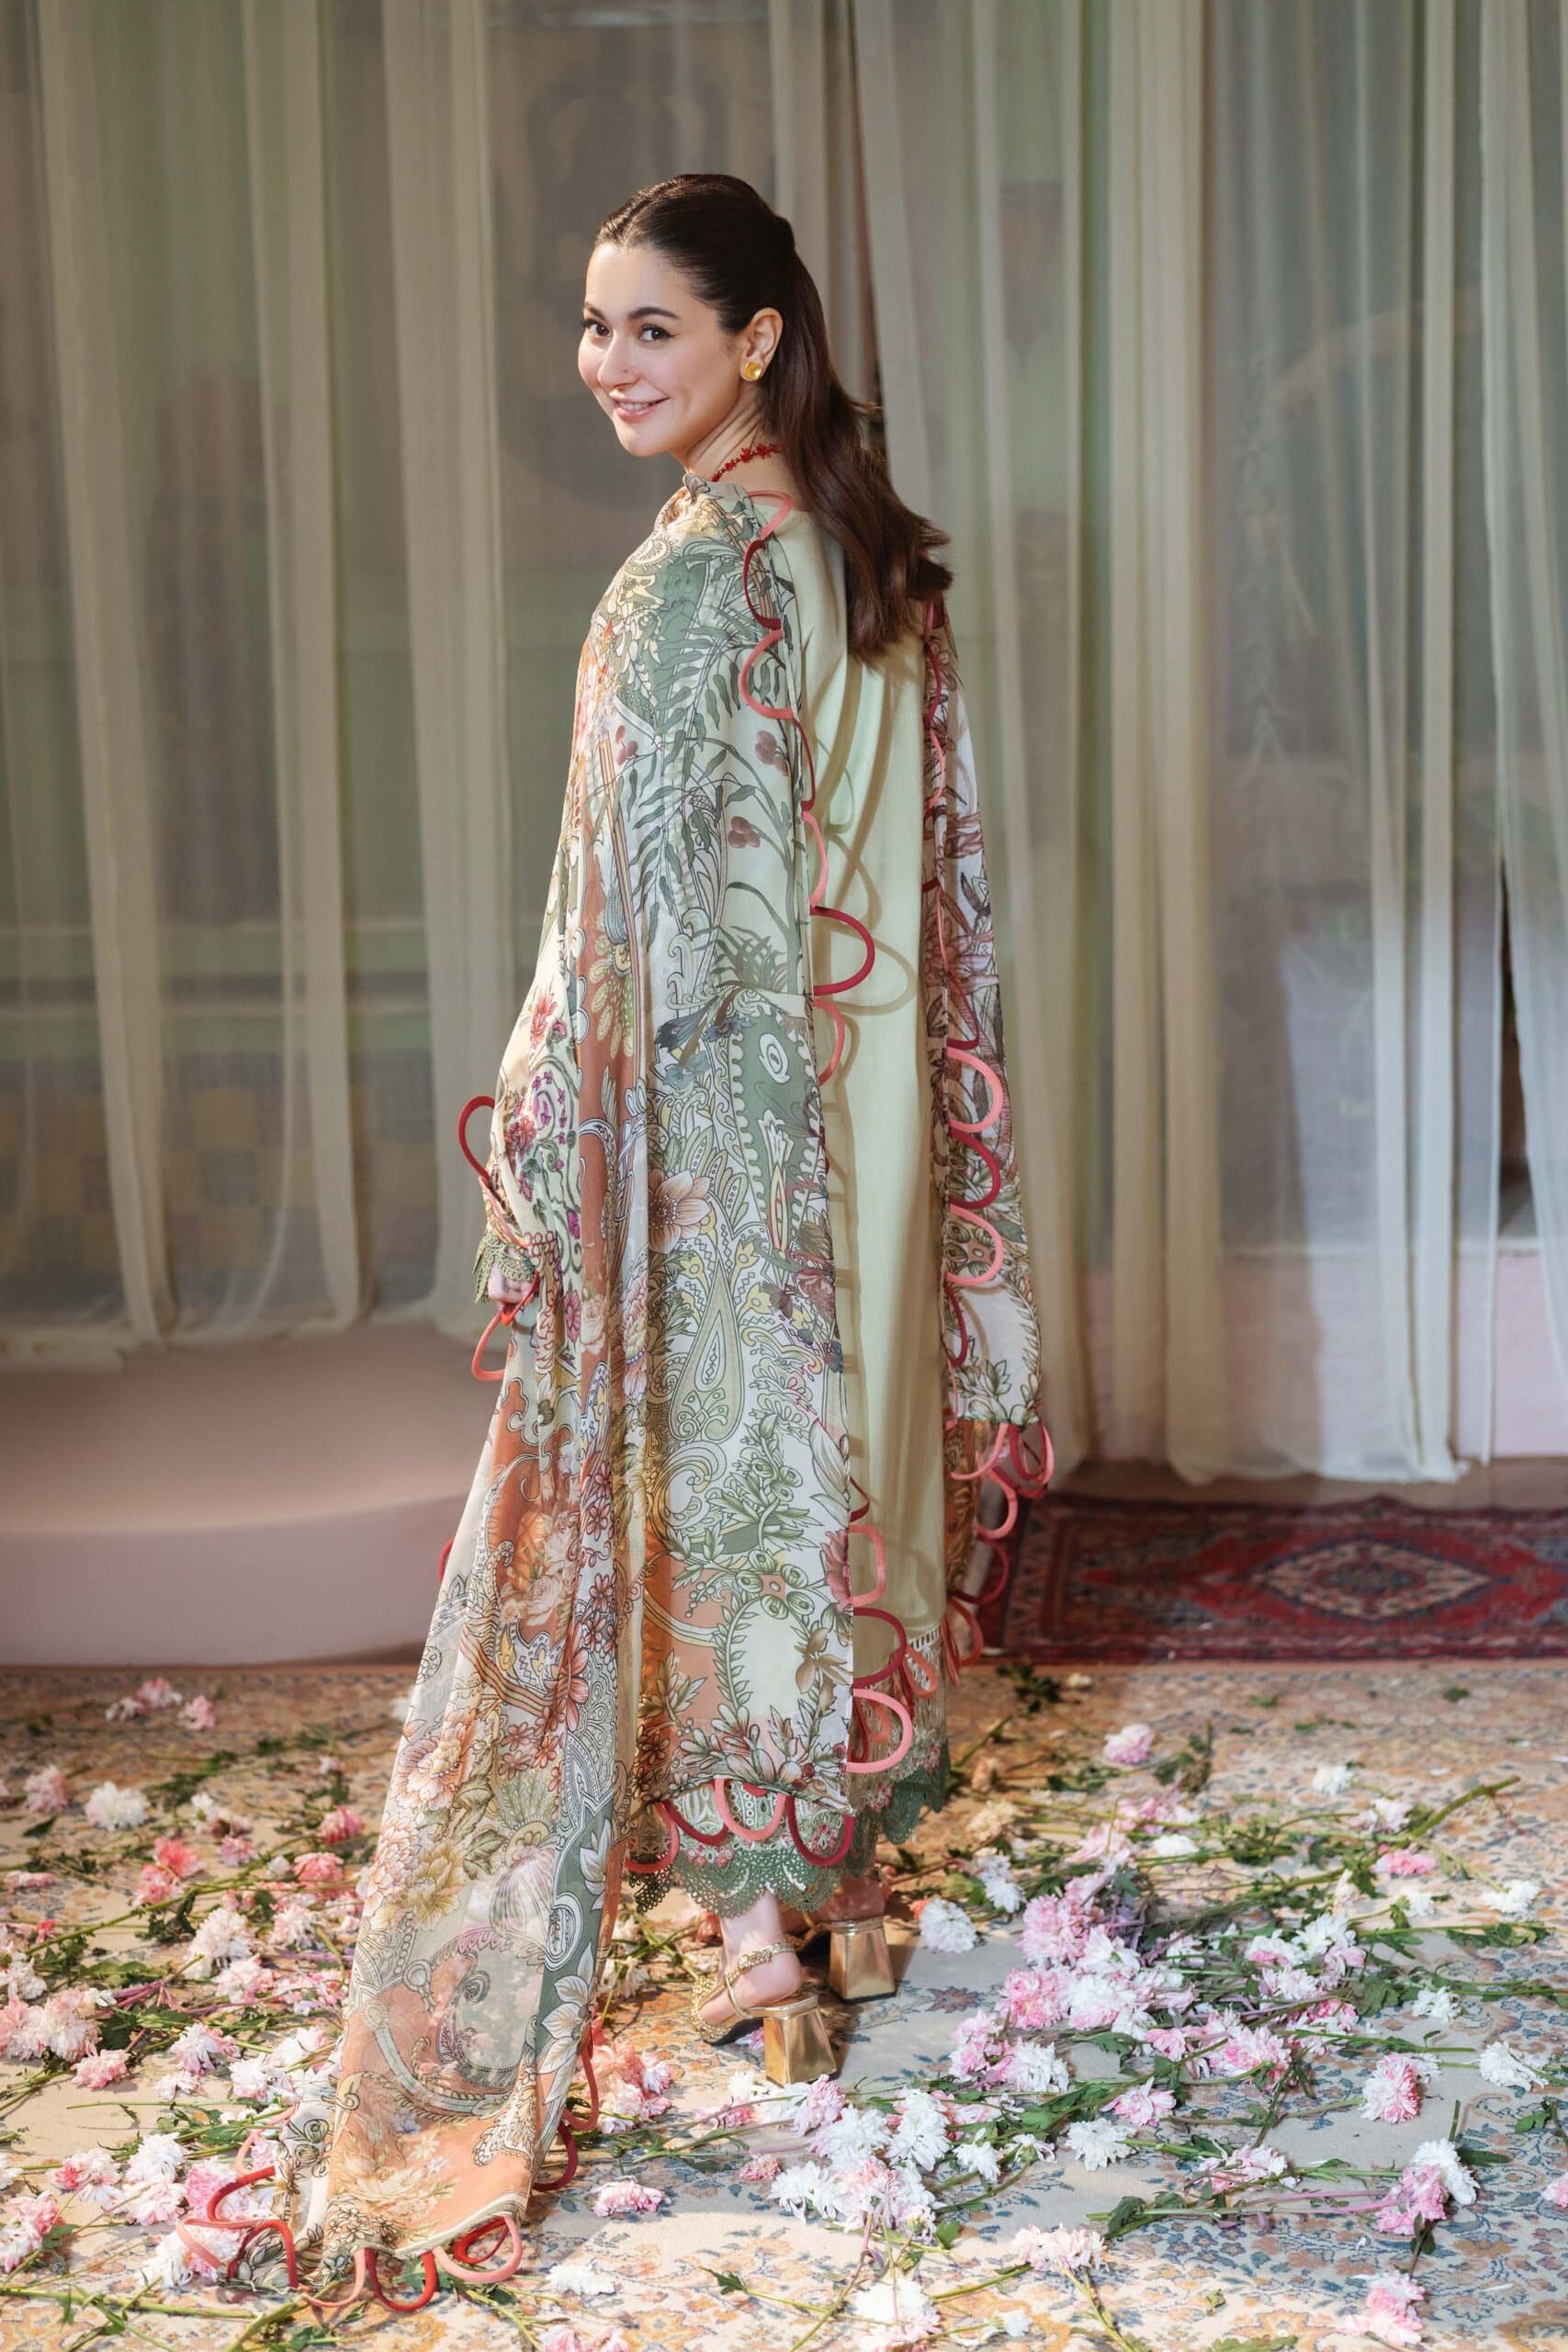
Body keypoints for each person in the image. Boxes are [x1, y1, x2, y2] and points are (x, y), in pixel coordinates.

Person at [288, 173, 1049, 2305]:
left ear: (753, 339)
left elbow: (636, 924)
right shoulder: (872, 561)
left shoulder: (691, 583)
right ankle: (833, 1900)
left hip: (730, 1136)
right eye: (591, 324)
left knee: (714, 1494)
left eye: (647, 326)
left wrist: (550, 1109)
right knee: (838, 1480)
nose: (603, 363)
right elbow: (926, 887)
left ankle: (755, 1943)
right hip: (865, 1120)